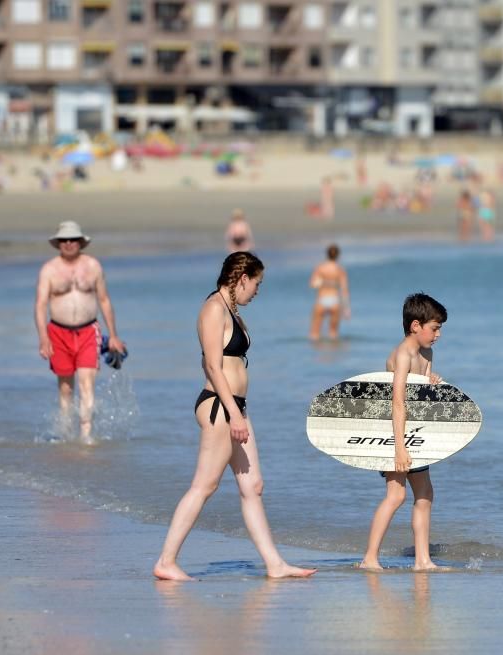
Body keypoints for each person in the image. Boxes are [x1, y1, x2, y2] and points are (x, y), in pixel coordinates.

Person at [153, 252, 317, 581]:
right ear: (242, 278)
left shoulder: (232, 310)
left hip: (236, 408)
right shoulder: (213, 308)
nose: (257, 291)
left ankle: (275, 565)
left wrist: (239, 412)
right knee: (204, 485)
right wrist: (233, 413)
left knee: (253, 486)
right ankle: (166, 561)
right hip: (220, 407)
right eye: (256, 284)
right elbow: (212, 366)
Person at [360, 293, 447, 571]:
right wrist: (399, 448)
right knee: (396, 496)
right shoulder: (403, 354)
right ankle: (369, 558)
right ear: (415, 326)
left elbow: (419, 398)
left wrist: (431, 381)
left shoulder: (426, 354)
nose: (438, 335)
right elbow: (397, 401)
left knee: (425, 494)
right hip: (395, 435)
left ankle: (423, 560)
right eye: (434, 328)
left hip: (415, 435)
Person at [35, 221, 126, 442]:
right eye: (64, 240)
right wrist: (43, 338)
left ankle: (86, 436)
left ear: (80, 242)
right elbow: (40, 305)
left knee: (87, 384)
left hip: (88, 331)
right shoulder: (49, 269)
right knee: (66, 389)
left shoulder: (93, 266)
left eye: (73, 239)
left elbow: (104, 300)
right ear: (58, 243)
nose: (68, 243)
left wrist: (113, 335)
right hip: (58, 333)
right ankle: (66, 436)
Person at [308, 244, 350, 341]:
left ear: (326, 254)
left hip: (321, 299)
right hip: (334, 300)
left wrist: (324, 282)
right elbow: (344, 290)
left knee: (314, 334)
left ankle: (316, 355)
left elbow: (312, 284)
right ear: (338, 255)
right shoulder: (340, 270)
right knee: (333, 334)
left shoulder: (320, 268)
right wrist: (347, 308)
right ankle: (333, 355)